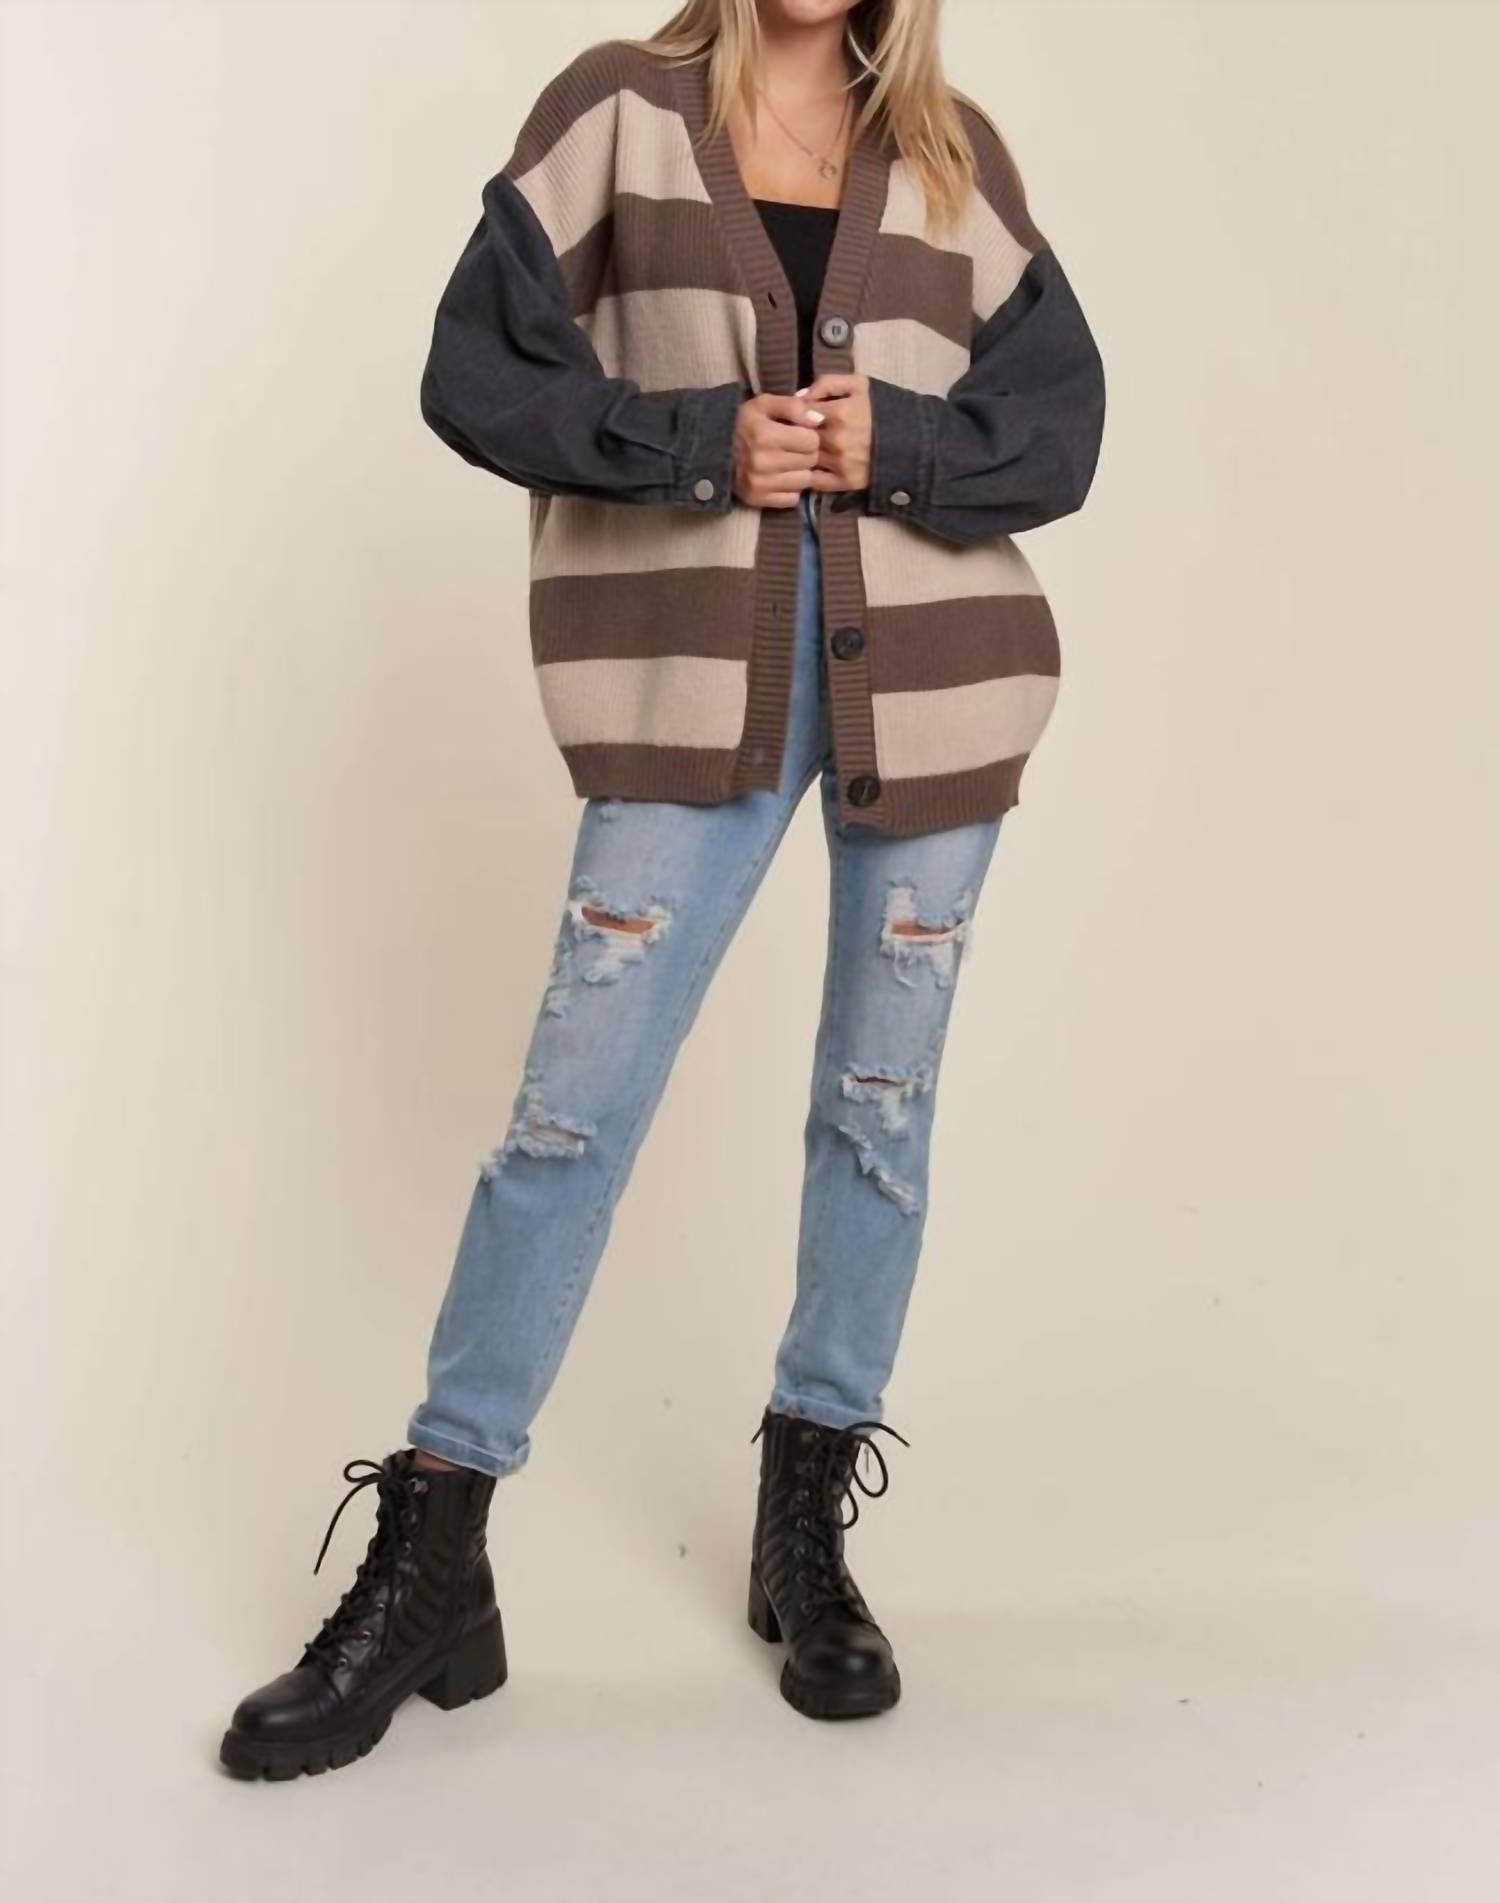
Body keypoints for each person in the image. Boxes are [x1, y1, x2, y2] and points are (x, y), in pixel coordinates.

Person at [219, 0, 1104, 1780]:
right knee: (571, 1118)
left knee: (877, 1115)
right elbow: (476, 368)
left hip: (940, 689)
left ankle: (803, 1530)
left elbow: (1060, 429)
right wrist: (702, 441)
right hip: (682, 690)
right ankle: (438, 1554)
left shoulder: (955, 160)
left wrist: (895, 448)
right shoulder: (618, 112)